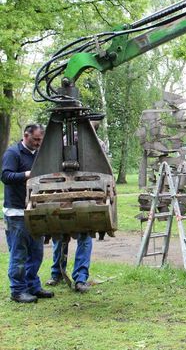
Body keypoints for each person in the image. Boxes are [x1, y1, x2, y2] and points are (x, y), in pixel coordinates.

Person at [46, 121, 106, 293]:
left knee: (84, 236)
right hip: (63, 194)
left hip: (86, 196)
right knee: (60, 235)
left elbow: (101, 171)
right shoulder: (64, 141)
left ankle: (80, 278)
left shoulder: (98, 145)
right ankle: (57, 273)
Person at [1, 124, 53, 303]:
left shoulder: (37, 155)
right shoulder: (13, 153)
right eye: (36, 139)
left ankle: (32, 286)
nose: (39, 143)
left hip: (34, 210)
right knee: (19, 253)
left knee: (36, 252)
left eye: (40, 140)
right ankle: (17, 290)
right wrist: (27, 174)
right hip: (16, 212)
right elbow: (6, 176)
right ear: (26, 135)